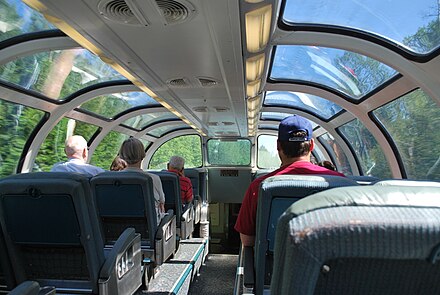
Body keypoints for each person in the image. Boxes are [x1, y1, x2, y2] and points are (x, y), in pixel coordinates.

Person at [234, 115, 345, 247]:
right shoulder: (342, 184)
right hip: (329, 265)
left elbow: (247, 240)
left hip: (274, 266)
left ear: (278, 145)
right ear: (312, 145)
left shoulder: (260, 186)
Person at [118, 137, 166, 223]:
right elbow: (161, 203)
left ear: (122, 156)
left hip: (118, 225)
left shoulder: (110, 179)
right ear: (143, 155)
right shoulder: (153, 179)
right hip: (147, 225)